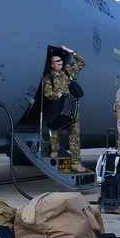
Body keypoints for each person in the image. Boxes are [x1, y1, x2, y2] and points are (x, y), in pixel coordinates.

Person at [42, 45, 87, 173]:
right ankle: (55, 150)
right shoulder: (48, 78)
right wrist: (56, 95)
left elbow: (81, 63)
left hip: (71, 108)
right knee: (55, 131)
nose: (60, 63)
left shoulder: (67, 72)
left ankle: (76, 162)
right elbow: (47, 93)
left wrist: (72, 52)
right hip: (58, 107)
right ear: (52, 65)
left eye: (61, 61)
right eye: (57, 61)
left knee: (75, 136)